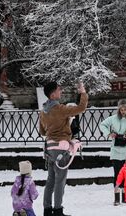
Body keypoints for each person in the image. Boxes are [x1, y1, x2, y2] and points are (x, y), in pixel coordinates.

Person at [38, 81, 89, 216]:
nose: (61, 91)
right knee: (60, 181)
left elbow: (42, 132)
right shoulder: (60, 109)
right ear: (53, 94)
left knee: (50, 181)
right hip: (61, 148)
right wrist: (82, 92)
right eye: (59, 90)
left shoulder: (43, 111)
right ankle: (58, 211)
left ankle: (47, 210)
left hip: (49, 149)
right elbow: (81, 107)